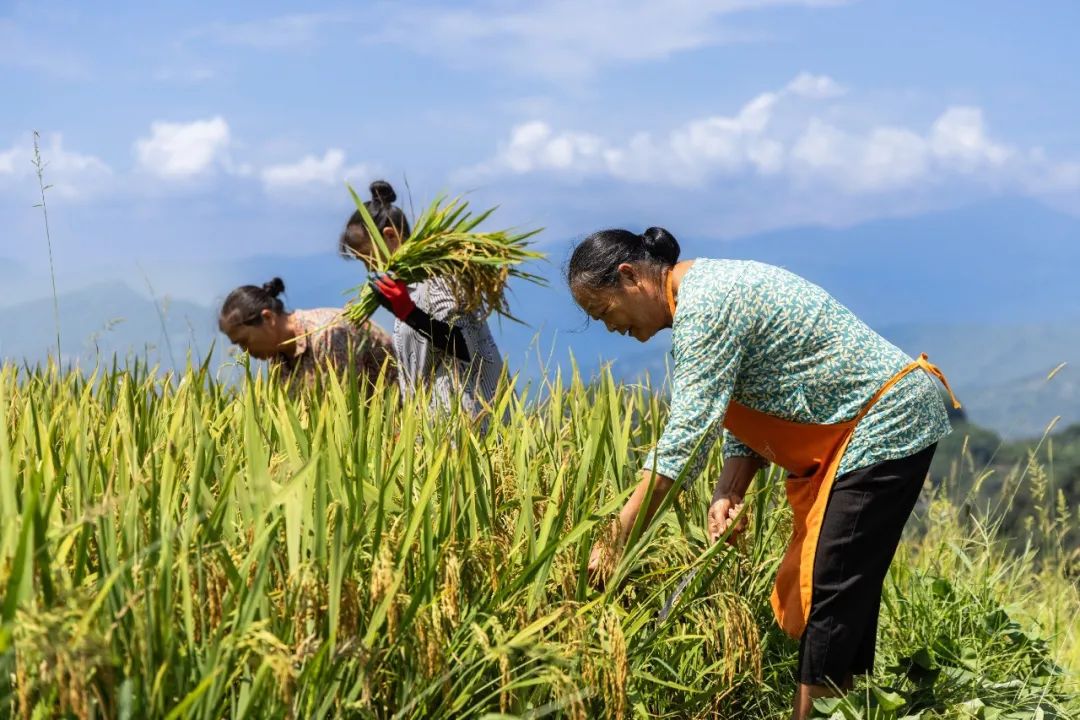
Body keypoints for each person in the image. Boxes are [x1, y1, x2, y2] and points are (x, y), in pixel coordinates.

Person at [566, 227, 960, 720]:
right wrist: (728, 490)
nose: (611, 328)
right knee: (841, 588)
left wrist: (614, 540)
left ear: (630, 277)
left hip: (884, 421)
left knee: (827, 584)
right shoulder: (701, 296)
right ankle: (852, 708)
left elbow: (681, 443)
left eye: (605, 312)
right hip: (855, 431)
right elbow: (753, 394)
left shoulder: (706, 306)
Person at [339, 180, 504, 423]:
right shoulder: (409, 285)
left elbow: (463, 344)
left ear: (390, 236)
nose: (369, 268)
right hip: (435, 430)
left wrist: (409, 313)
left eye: (368, 258)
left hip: (469, 425)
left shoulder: (439, 274)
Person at [219, 277, 396, 391]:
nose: (245, 351)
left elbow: (345, 416)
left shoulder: (328, 335)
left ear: (268, 317)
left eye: (244, 341)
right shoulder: (278, 357)